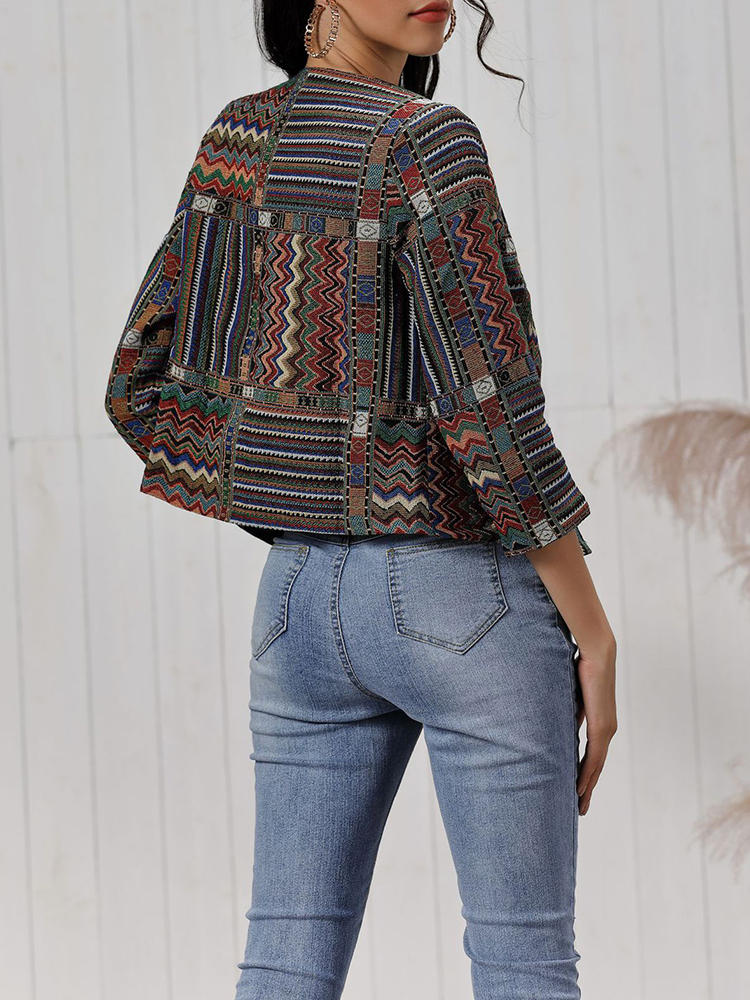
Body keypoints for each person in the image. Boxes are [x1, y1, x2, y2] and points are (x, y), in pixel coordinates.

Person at [104, 1, 617, 996]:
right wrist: (592, 633)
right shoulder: (429, 140)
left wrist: (297, 502)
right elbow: (492, 413)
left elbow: (140, 381)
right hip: (465, 599)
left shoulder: (238, 139)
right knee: (524, 961)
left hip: (296, 601)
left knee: (285, 960)